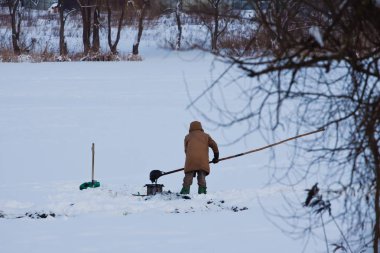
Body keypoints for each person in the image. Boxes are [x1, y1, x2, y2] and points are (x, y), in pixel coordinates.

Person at [180, 121, 219, 194]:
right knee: (201, 176)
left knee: (188, 176)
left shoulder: (187, 137)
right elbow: (214, 145)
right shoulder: (206, 136)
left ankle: (185, 191)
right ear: (200, 127)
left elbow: (186, 150)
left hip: (190, 160)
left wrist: (191, 160)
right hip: (202, 160)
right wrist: (216, 156)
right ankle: (202, 191)